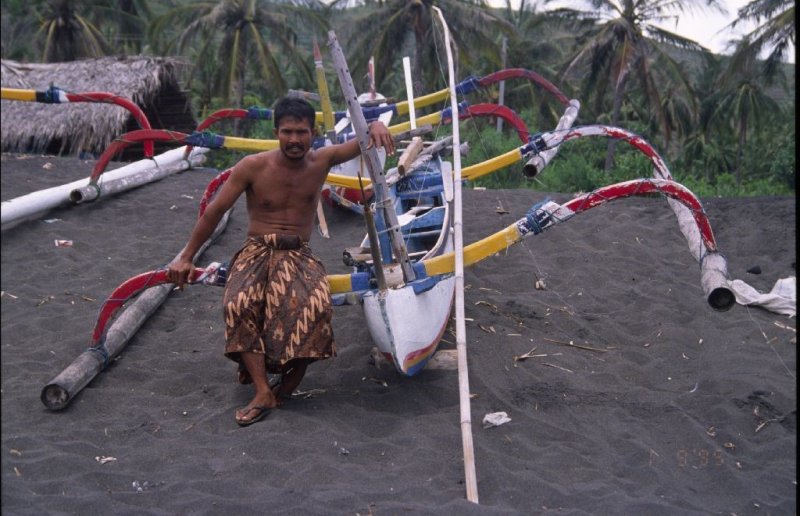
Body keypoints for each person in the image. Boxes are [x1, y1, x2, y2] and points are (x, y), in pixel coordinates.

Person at [167, 96, 395, 426]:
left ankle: (286, 386)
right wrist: (186, 256)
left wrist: (375, 125)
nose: (294, 139)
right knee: (238, 303)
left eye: (301, 132)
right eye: (287, 131)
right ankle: (262, 390)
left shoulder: (323, 160)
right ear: (276, 132)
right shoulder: (252, 166)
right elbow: (215, 211)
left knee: (315, 307)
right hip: (256, 250)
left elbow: (361, 141)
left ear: (313, 133)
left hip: (298, 252)